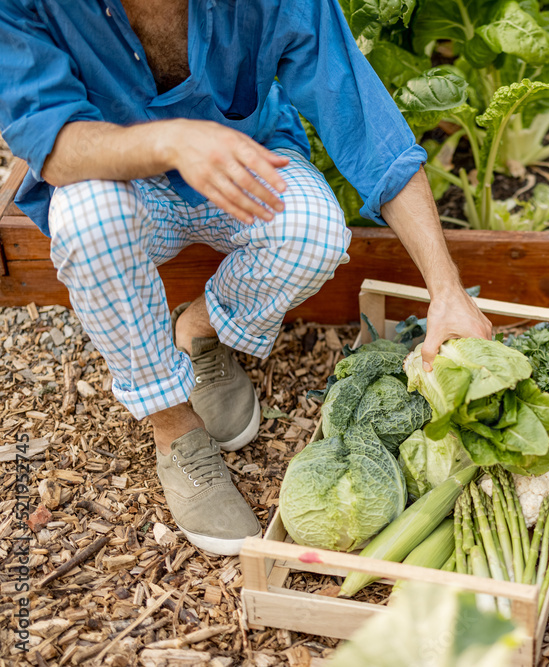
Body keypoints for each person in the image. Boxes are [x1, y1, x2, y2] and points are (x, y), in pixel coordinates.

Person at [0, 0, 492, 555]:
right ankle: (174, 425)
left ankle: (199, 329)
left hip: (243, 164)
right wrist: (173, 142)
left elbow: (365, 127)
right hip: (114, 182)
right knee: (87, 221)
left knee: (313, 231)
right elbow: (50, 142)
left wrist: (446, 289)